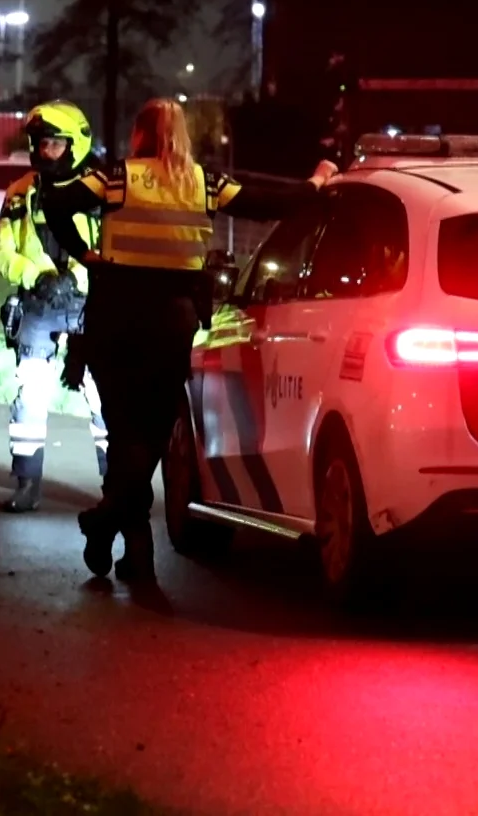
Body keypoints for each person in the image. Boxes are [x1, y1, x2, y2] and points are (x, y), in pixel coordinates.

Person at [43, 98, 335, 582]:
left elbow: (54, 202)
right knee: (151, 438)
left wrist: (86, 253)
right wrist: (317, 182)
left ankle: (115, 530)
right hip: (169, 323)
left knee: (124, 438)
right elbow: (269, 203)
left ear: (139, 134)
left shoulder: (117, 177)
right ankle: (129, 547)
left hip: (114, 320)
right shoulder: (203, 182)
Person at [0, 100, 109, 513]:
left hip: (89, 305)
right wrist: (36, 277)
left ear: (76, 144)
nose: (46, 152)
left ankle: (116, 489)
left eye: (55, 144)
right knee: (30, 394)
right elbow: (2, 250)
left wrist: (74, 279)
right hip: (38, 304)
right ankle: (26, 483)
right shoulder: (21, 192)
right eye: (40, 144)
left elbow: (109, 249)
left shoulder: (101, 190)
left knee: (102, 394)